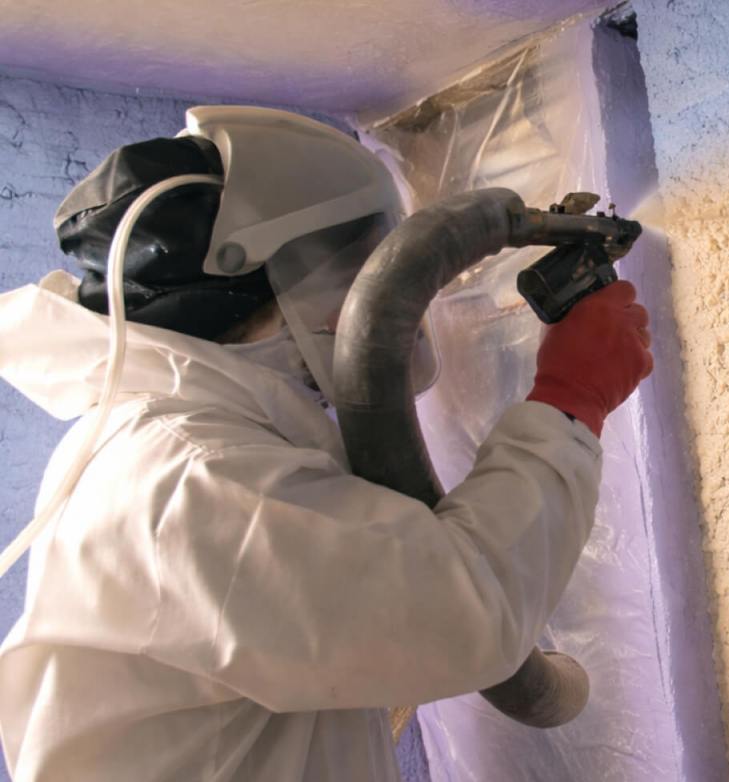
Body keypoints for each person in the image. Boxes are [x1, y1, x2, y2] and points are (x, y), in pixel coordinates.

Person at [0, 106, 652, 780]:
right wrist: (573, 396)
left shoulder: (171, 448)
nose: (376, 300)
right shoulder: (196, 478)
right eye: (358, 269)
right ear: (273, 277)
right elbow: (463, 612)